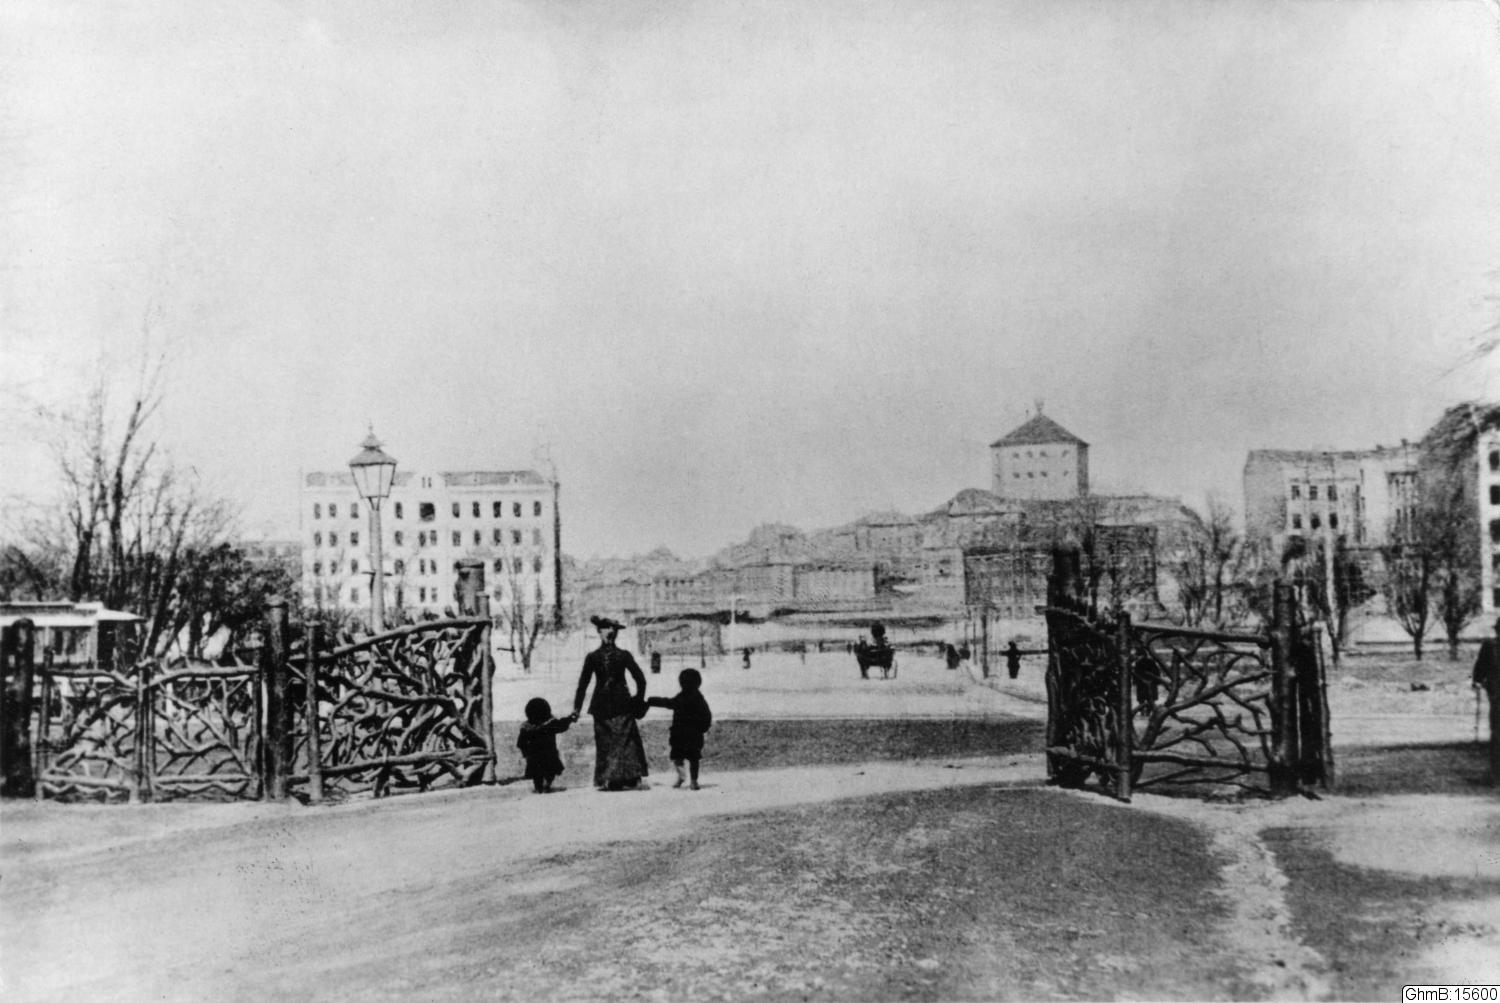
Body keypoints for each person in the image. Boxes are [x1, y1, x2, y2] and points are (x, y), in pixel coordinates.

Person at [574, 615, 650, 791]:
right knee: (606, 743)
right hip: (601, 707)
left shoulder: (624, 655)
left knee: (627, 742)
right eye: (606, 628)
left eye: (614, 629)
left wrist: (637, 701)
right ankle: (609, 779)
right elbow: (583, 684)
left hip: (623, 705)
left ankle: (631, 778)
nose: (610, 632)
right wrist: (576, 709)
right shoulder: (592, 657)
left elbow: (641, 680)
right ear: (599, 632)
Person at [645, 668, 713, 790]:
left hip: (680, 735)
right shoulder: (699, 698)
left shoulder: (682, 697)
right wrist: (703, 728)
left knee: (678, 757)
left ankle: (682, 776)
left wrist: (653, 701)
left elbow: (669, 703)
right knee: (694, 759)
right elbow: (707, 716)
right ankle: (693, 781)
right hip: (694, 735)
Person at [516, 697, 577, 794]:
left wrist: (525, 753)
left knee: (536, 774)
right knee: (550, 771)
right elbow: (561, 725)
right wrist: (570, 718)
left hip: (534, 757)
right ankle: (547, 784)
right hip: (549, 755)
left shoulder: (526, 728)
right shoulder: (550, 724)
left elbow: (520, 743)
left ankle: (538, 787)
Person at [1473, 617, 1499, 748]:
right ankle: (1496, 743)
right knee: (1497, 714)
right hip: (1495, 687)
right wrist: (1477, 680)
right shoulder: (1489, 646)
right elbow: (1481, 664)